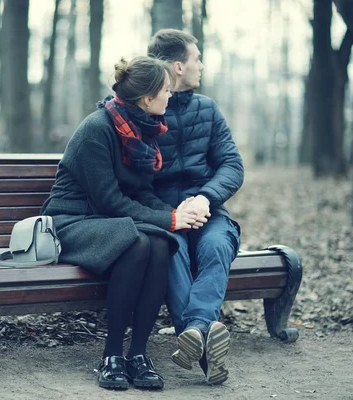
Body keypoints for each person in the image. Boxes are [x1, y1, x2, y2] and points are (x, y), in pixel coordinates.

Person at [41, 56, 204, 391]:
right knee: (139, 241)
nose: (170, 95)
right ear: (147, 99)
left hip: (109, 222)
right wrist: (169, 218)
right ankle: (112, 354)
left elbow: (141, 194)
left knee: (160, 242)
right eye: (165, 91)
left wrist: (178, 214)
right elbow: (109, 200)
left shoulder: (142, 131)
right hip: (73, 220)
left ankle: (139, 355)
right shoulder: (96, 129)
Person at [147, 29, 244, 385]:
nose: (201, 65)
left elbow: (232, 165)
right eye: (196, 58)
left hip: (207, 211)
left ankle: (196, 329)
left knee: (218, 244)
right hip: (162, 216)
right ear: (178, 66)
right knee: (172, 254)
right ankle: (206, 348)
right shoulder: (145, 108)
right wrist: (169, 214)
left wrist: (205, 196)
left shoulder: (207, 108)